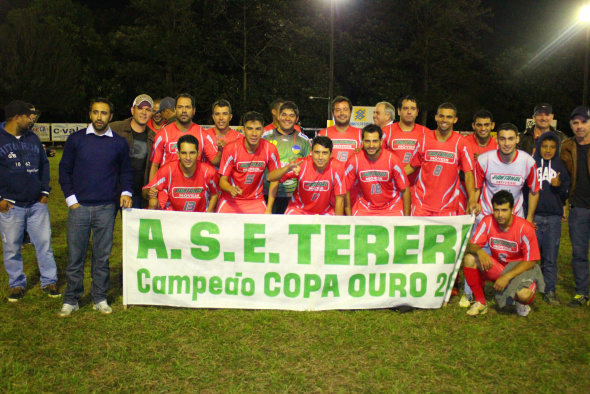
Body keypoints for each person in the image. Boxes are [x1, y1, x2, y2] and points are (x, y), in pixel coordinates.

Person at [58, 98, 133, 317]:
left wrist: (126, 192)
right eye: (96, 112)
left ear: (111, 116)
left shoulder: (118, 143)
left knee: (102, 257)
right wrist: (72, 200)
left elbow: (125, 172)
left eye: (104, 113)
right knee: (75, 257)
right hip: (79, 208)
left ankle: (99, 297)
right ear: (90, 114)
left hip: (106, 208)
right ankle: (72, 299)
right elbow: (64, 171)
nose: (99, 117)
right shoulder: (76, 140)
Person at [0, 100, 59, 301]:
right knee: (12, 247)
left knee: (44, 244)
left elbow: (44, 164)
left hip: (36, 204)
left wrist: (45, 191)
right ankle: (17, 284)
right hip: (11, 205)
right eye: (28, 115)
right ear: (17, 117)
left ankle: (49, 281)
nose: (32, 118)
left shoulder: (32, 138)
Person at [462, 190, 544, 317]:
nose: (500, 214)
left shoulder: (525, 228)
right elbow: (472, 245)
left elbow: (531, 261)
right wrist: (480, 251)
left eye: (504, 210)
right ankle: (480, 303)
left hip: (521, 270)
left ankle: (519, 301)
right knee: (469, 259)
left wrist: (507, 277)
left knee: (523, 295)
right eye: (496, 210)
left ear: (512, 209)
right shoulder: (487, 221)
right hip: (499, 267)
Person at [405, 102, 477, 216]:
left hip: (447, 208)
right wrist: (391, 177)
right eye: (442, 116)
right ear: (436, 117)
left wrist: (472, 199)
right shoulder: (423, 139)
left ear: (455, 119)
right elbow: (412, 166)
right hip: (421, 206)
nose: (445, 120)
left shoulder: (462, 143)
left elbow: (468, 174)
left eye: (449, 117)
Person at [532, 132, 570, 305]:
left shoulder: (561, 166)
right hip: (536, 216)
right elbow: (526, 192)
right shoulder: (531, 164)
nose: (548, 150)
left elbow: (566, 193)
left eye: (552, 147)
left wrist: (560, 185)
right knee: (533, 256)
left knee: (551, 256)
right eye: (544, 146)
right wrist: (528, 216)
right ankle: (531, 286)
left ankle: (550, 290)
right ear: (539, 147)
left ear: (557, 148)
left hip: (553, 218)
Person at [217, 111, 280, 214]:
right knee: (221, 229)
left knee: (264, 227)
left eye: (258, 129)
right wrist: (230, 188)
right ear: (243, 130)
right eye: (250, 128)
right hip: (231, 200)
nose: (254, 134)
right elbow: (222, 181)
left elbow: (275, 179)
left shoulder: (270, 149)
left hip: (256, 201)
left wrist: (269, 208)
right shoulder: (231, 149)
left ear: (263, 131)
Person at [474, 123, 539, 223]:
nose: (507, 143)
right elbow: (476, 188)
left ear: (517, 139)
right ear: (497, 140)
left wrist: (529, 218)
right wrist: (474, 204)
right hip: (487, 216)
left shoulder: (528, 162)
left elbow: (534, 191)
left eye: (511, 139)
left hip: (515, 217)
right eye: (502, 139)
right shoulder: (484, 160)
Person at [267, 136, 346, 215]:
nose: (320, 157)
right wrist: (287, 169)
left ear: (331, 154)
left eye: (324, 153)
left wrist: (337, 224)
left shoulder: (337, 167)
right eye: (317, 152)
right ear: (311, 152)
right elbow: (270, 177)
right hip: (298, 210)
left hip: (325, 212)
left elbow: (340, 200)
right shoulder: (301, 164)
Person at [149, 93, 220, 181]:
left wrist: (221, 150)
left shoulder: (203, 134)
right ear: (175, 109)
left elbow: (215, 161)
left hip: (194, 190)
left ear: (194, 110)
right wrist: (152, 188)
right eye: (180, 107)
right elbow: (154, 166)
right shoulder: (162, 134)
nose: (184, 111)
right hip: (169, 190)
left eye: (188, 107)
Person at [344, 124, 410, 216]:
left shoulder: (393, 159)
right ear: (362, 141)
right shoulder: (354, 160)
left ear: (381, 141)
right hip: (365, 207)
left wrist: (407, 220)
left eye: (375, 141)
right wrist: (349, 218)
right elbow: (345, 189)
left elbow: (405, 189)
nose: (371, 145)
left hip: (392, 207)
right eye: (367, 141)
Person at [560, 106, 590, 307]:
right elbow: (563, 178)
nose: (580, 126)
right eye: (576, 123)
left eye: (584, 122)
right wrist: (562, 202)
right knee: (579, 252)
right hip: (579, 207)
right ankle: (582, 292)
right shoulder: (567, 147)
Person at [143, 134, 219, 212]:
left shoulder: (209, 172)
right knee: (153, 202)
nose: (188, 158)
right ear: (178, 154)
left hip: (199, 217)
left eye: (192, 153)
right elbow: (146, 190)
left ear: (198, 154)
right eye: (184, 153)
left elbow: (215, 193)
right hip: (174, 217)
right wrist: (151, 195)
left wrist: (209, 214)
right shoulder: (167, 170)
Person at [262, 101, 311, 213]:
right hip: (267, 193)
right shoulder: (265, 137)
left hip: (293, 196)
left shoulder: (304, 140)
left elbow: (309, 168)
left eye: (291, 115)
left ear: (297, 119)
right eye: (284, 114)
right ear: (278, 116)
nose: (287, 118)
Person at [110, 94, 155, 208]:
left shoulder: (153, 137)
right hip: (111, 191)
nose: (144, 112)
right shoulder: (114, 128)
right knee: (105, 226)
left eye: (148, 110)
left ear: (152, 114)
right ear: (132, 110)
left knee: (131, 226)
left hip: (136, 194)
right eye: (140, 108)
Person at [318, 96, 363, 210]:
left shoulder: (361, 134)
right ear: (333, 113)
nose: (342, 113)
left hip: (354, 191)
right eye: (338, 110)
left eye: (345, 109)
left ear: (351, 112)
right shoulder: (323, 134)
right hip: (329, 191)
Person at [383, 95, 429, 187]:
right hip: (392, 187)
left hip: (417, 189)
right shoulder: (386, 131)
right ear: (399, 111)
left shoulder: (426, 133)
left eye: (412, 109)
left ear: (417, 112)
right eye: (405, 108)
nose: (409, 112)